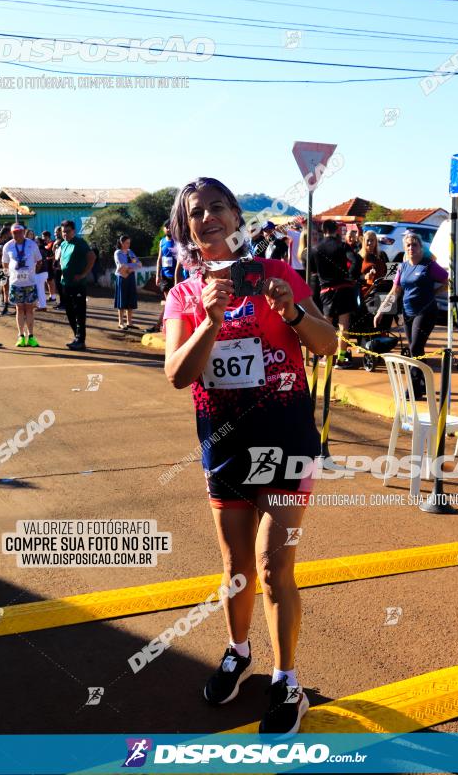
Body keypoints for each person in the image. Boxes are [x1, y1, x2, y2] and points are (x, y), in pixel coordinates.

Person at [164, 177, 336, 735]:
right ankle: (238, 652)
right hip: (224, 444)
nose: (209, 217)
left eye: (218, 206)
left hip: (285, 442)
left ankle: (288, 683)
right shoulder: (183, 295)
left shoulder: (279, 274)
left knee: (271, 565)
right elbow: (177, 374)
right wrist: (210, 321)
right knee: (235, 567)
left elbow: (327, 342)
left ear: (237, 214)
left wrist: (290, 312)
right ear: (185, 226)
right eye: (197, 212)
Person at [374, 230, 448, 399]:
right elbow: (395, 290)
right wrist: (380, 311)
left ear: (421, 248)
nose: (411, 247)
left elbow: (447, 281)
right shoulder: (403, 267)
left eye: (415, 244)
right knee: (416, 349)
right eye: (408, 245)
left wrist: (434, 293)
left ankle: (414, 388)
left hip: (426, 312)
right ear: (405, 248)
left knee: (415, 347)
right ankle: (423, 382)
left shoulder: (428, 265)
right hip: (407, 312)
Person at [312, 220, 358, 369]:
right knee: (344, 326)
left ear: (323, 230)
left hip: (326, 290)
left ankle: (327, 356)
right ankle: (342, 358)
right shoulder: (342, 246)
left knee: (327, 326)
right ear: (336, 230)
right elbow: (356, 260)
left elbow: (311, 268)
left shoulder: (316, 248)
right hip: (344, 287)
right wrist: (350, 275)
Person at [2, 223, 43, 347]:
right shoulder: (8, 246)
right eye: (14, 232)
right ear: (11, 233)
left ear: (23, 232)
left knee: (30, 309)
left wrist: (32, 272)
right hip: (16, 284)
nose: (17, 234)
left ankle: (30, 336)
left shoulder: (32, 244)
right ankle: (20, 336)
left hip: (30, 282)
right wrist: (11, 275)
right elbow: (4, 264)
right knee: (19, 309)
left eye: (19, 232)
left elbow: (39, 261)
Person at [60, 219, 96, 350]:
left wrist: (83, 274)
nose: (65, 234)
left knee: (79, 312)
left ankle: (80, 340)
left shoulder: (80, 243)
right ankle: (77, 337)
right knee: (69, 312)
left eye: (67, 232)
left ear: (73, 231)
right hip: (66, 283)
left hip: (78, 284)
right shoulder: (63, 244)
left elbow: (92, 257)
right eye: (63, 232)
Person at [148, 220, 177, 333]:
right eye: (166, 227)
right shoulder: (162, 242)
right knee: (169, 301)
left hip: (175, 277)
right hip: (165, 276)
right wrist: (157, 275)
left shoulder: (177, 241)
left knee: (170, 302)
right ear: (164, 229)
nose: (168, 229)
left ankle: (159, 326)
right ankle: (162, 326)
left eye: (170, 227)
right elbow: (159, 259)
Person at [114, 235, 141, 329]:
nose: (128, 244)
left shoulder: (130, 252)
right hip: (122, 277)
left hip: (131, 277)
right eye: (126, 243)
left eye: (129, 242)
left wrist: (131, 268)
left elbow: (139, 264)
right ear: (121, 243)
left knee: (131, 299)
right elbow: (123, 265)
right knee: (122, 300)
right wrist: (133, 266)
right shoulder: (118, 253)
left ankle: (130, 322)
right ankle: (121, 323)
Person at [359, 230, 387, 298]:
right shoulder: (359, 256)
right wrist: (364, 277)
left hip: (382, 291)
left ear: (376, 242)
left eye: (372, 240)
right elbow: (353, 275)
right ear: (364, 242)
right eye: (368, 240)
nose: (370, 243)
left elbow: (392, 272)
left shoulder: (382, 254)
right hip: (366, 292)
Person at [34, 237, 50, 310]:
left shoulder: (39, 251)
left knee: (39, 290)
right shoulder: (42, 250)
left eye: (37, 242)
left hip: (40, 272)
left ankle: (42, 306)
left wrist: (36, 271)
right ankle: (42, 305)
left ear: (40, 243)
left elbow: (39, 263)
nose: (35, 243)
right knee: (41, 290)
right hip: (43, 272)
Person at [52, 226, 65, 309]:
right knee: (58, 286)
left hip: (62, 267)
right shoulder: (56, 242)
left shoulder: (63, 242)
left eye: (57, 232)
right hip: (57, 266)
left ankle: (64, 304)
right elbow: (54, 252)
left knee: (62, 286)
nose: (56, 234)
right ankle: (61, 302)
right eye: (55, 232)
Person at [41, 231, 57, 301]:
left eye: (43, 237)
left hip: (51, 265)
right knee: (47, 281)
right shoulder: (44, 244)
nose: (43, 238)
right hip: (45, 266)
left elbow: (56, 255)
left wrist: (48, 258)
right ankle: (51, 296)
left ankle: (53, 297)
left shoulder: (53, 243)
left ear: (47, 237)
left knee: (51, 281)